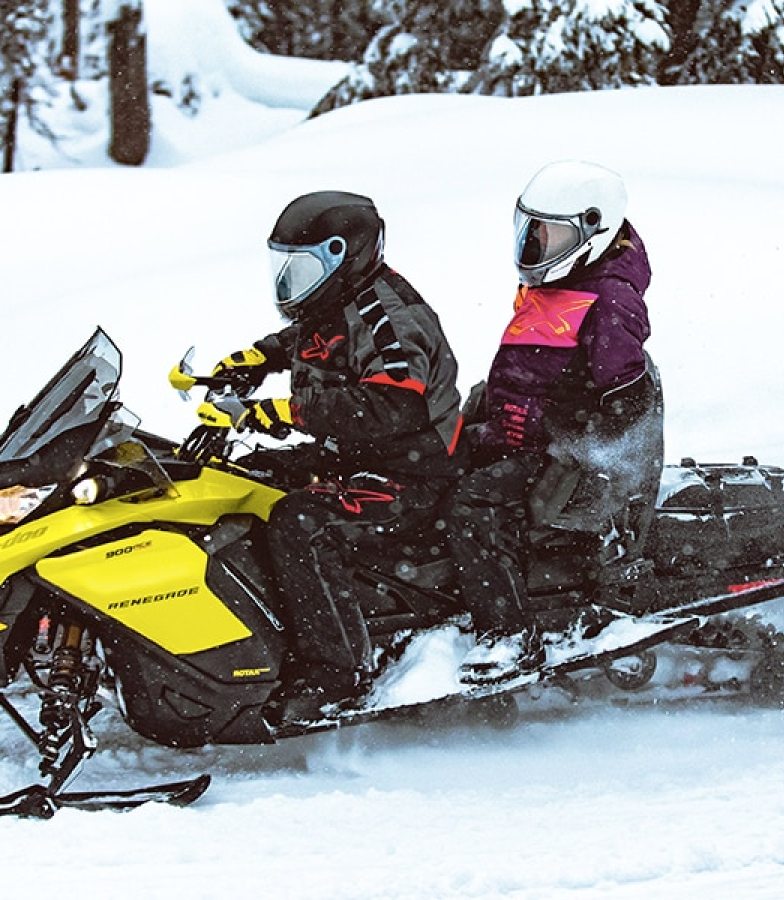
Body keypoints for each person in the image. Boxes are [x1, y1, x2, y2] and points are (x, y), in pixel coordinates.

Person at [206, 190, 463, 712]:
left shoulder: (390, 317)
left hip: (411, 475)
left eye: (301, 269)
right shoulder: (336, 302)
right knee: (244, 481)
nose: (289, 284)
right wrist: (256, 359)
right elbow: (311, 339)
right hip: (356, 456)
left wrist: (285, 412)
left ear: (345, 256)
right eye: (286, 268)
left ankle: (338, 671)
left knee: (301, 522)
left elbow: (393, 405)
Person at [447, 160, 658, 684]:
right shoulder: (557, 286)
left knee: (472, 506)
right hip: (522, 438)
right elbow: (525, 372)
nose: (536, 247)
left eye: (551, 234)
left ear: (594, 229)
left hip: (569, 461)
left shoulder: (610, 301)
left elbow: (625, 406)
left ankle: (512, 635)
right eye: (533, 232)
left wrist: (560, 448)